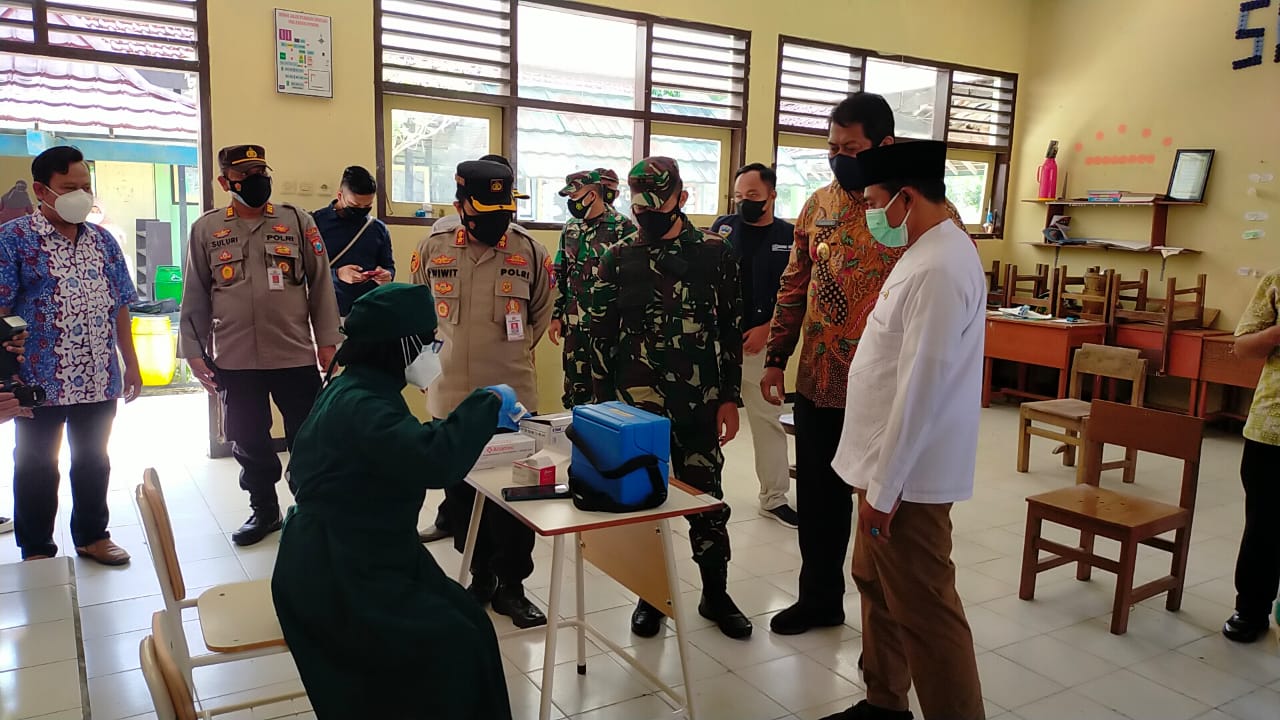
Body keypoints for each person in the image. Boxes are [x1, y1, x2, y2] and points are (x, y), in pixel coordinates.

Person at [762, 93, 968, 636]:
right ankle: (819, 599)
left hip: (887, 396)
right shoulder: (816, 207)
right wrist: (776, 357)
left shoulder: (923, 213)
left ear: (884, 144)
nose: (839, 157)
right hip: (821, 381)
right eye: (832, 146)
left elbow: (945, 308)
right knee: (820, 503)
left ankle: (889, 624)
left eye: (850, 147)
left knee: (883, 511)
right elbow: (794, 283)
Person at [273, 283, 520, 720]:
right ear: (401, 344)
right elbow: (433, 460)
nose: (432, 350)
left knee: (469, 620)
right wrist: (488, 402)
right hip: (336, 571)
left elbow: (403, 449)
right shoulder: (363, 404)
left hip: (362, 548)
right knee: (455, 643)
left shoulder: (357, 387)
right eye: (428, 340)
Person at [820, 141, 985, 720]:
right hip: (882, 467)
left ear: (906, 198)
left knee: (927, 613)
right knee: (875, 585)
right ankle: (884, 702)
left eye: (874, 202)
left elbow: (923, 388)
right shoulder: (922, 251)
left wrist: (885, 492)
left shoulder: (940, 266)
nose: (870, 215)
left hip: (907, 481)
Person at [590, 157, 752, 640]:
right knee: (645, 503)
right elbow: (600, 334)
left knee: (706, 500)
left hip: (698, 402)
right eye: (640, 204)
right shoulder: (619, 256)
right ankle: (650, 595)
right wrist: (602, 408)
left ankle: (715, 593)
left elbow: (730, 329)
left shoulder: (714, 253)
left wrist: (728, 397)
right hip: (636, 409)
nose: (648, 214)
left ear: (681, 198)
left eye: (657, 202)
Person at [411, 158, 553, 629]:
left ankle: (513, 586)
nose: (496, 220)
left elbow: (536, 318)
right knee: (464, 493)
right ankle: (479, 576)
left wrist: (503, 361)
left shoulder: (530, 251)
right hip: (449, 394)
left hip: (510, 396)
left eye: (503, 209)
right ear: (460, 204)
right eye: (485, 210)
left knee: (515, 493)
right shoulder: (433, 248)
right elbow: (417, 313)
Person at [179, 144, 342, 547]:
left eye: (260, 172)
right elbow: (195, 294)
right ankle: (264, 509)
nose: (256, 181)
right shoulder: (207, 229)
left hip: (293, 353)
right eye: (245, 175)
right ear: (225, 182)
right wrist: (194, 352)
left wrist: (328, 341)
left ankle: (311, 510)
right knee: (248, 437)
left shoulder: (296, 221)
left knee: (308, 437)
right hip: (235, 357)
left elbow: (321, 285)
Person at [0, 145, 142, 565]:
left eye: (86, 186)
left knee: (94, 461)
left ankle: (92, 536)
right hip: (37, 378)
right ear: (42, 190)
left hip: (99, 374)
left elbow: (120, 304)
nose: (81, 195)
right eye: (69, 187)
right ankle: (37, 548)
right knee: (36, 466)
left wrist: (129, 363)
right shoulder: (14, 240)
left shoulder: (102, 241)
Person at [711, 164, 797, 528]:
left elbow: (796, 292)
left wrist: (767, 327)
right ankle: (701, 494)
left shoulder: (791, 237)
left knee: (767, 421)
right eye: (738, 197)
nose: (744, 203)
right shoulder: (723, 229)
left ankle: (774, 498)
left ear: (772, 195)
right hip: (717, 342)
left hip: (758, 345)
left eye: (753, 197)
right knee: (704, 420)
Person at [1222, 269, 1280, 643]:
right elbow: (1242, 347)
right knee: (1263, 523)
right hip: (1271, 428)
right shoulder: (1276, 280)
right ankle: (1252, 609)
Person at [548, 168, 638, 408]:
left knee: (608, 393)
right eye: (570, 198)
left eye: (576, 197)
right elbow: (561, 272)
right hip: (574, 326)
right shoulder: (570, 228)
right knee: (576, 393)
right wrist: (556, 316)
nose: (572, 203)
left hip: (608, 327)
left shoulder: (622, 227)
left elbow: (632, 282)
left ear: (593, 195)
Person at [312, 166, 394, 319]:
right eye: (355, 205)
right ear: (340, 195)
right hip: (327, 312)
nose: (362, 209)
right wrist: (337, 274)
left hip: (370, 311)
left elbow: (389, 266)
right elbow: (302, 272)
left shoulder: (377, 229)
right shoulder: (314, 223)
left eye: (367, 206)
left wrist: (386, 275)